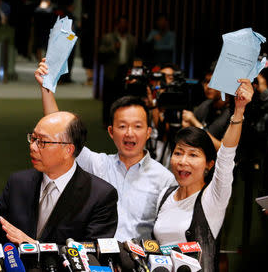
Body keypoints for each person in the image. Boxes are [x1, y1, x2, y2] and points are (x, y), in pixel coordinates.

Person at [35, 60, 176, 242]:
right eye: (122, 126)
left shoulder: (164, 178)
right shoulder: (98, 164)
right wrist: (46, 87)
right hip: (98, 260)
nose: (129, 133)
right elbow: (60, 132)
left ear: (148, 133)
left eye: (138, 126)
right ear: (111, 132)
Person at [0, 111, 118, 247]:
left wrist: (35, 247)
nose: (32, 147)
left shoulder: (100, 195)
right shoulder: (18, 183)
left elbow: (93, 253)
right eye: (33, 138)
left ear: (68, 150)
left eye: (42, 142)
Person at [153, 79, 254, 271]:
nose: (183, 161)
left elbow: (226, 155)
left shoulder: (213, 198)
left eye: (193, 155)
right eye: (178, 153)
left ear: (209, 164)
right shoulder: (164, 195)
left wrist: (239, 110)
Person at [98, 15, 136, 126]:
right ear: (117, 24)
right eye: (121, 23)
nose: (123, 25)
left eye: (125, 23)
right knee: (108, 98)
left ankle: (119, 120)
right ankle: (106, 121)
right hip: (111, 71)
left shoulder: (131, 39)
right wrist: (113, 48)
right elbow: (101, 52)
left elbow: (133, 57)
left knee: (123, 97)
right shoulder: (108, 37)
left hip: (125, 70)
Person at [182, 70, 232, 150]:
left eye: (212, 81)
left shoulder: (232, 112)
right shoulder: (206, 105)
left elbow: (223, 149)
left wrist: (195, 123)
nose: (208, 86)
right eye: (206, 82)